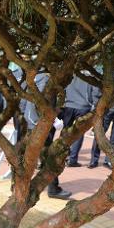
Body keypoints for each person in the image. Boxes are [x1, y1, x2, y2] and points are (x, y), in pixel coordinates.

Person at [22, 71, 72, 200]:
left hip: (34, 124)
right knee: (50, 159)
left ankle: (25, 187)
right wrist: (52, 120)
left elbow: (24, 103)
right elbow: (42, 104)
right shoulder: (46, 81)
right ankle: (52, 189)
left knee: (33, 159)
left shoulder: (33, 79)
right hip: (40, 126)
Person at [63, 75, 98, 167]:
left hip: (69, 105)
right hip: (83, 106)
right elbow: (95, 92)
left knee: (65, 131)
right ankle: (72, 159)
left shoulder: (71, 73)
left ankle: (61, 156)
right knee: (78, 133)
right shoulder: (90, 76)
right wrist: (95, 104)